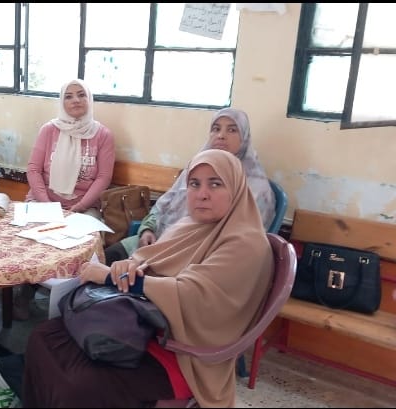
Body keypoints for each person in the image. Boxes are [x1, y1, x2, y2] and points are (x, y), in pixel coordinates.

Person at [21, 148, 275, 407]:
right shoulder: (190, 226)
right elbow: (150, 261)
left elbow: (191, 295)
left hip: (185, 351)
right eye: (194, 184)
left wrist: (109, 276)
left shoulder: (246, 244)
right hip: (145, 323)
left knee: (79, 384)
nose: (202, 194)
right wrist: (129, 266)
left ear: (236, 189)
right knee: (43, 337)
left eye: (216, 184)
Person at [104, 107, 276, 266]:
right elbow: (165, 202)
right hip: (158, 239)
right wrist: (147, 230)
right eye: (216, 129)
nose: (221, 135)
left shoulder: (256, 189)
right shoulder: (197, 168)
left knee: (117, 277)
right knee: (104, 257)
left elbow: (243, 243)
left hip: (194, 255)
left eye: (232, 130)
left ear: (244, 137)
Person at [25, 78, 115, 219]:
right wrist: (47, 204)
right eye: (68, 97)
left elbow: (103, 177)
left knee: (83, 231)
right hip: (43, 201)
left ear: (89, 99)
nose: (76, 100)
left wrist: (81, 206)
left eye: (81, 95)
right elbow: (33, 169)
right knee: (31, 230)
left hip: (85, 206)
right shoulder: (48, 130)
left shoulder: (103, 135)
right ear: (62, 102)